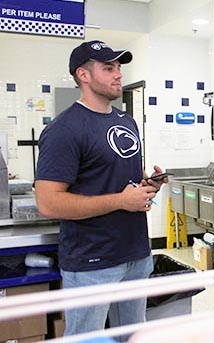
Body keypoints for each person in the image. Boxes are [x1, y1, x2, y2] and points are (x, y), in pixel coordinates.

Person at [34, 40, 169, 338]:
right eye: (108, 68)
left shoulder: (127, 121)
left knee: (132, 336)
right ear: (83, 75)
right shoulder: (64, 129)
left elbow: (121, 182)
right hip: (92, 262)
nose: (118, 74)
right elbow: (48, 203)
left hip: (135, 254)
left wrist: (147, 187)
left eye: (119, 67)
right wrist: (122, 201)